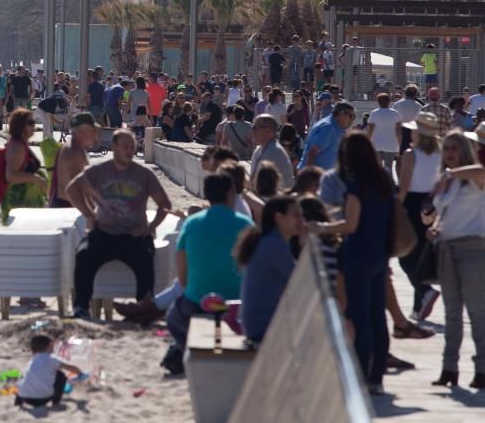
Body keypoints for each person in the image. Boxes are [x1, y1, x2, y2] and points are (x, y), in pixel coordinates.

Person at [315, 132, 394, 394]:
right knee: (377, 317)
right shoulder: (383, 180)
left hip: (357, 255)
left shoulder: (356, 185)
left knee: (360, 318)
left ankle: (361, 373)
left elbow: (350, 224)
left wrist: (321, 226)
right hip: (380, 254)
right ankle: (377, 376)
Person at [67, 130, 172, 319]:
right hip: (104, 233)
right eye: (125, 147)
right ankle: (81, 307)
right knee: (83, 255)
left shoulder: (144, 174)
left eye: (132, 147)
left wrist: (150, 228)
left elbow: (165, 205)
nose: (130, 151)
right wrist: (89, 214)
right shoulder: (100, 170)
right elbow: (72, 188)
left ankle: (143, 306)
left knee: (146, 257)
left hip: (135, 236)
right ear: (114, 147)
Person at [161, 173, 253, 375]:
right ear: (231, 194)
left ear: (206, 195)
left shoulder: (192, 224)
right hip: (237, 306)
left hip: (198, 303)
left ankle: (185, 351)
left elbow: (183, 278)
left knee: (173, 318)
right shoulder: (246, 224)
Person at [424, 131, 485, 389]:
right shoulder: (444, 180)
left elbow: (481, 172)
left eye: (454, 148)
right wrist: (432, 225)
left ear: (465, 151)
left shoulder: (472, 178)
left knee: (477, 311)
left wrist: (451, 174)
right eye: (446, 148)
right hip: (446, 247)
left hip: (473, 247)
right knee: (451, 312)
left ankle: (482, 368)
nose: (448, 153)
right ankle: (449, 368)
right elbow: (439, 213)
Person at [236, 195, 304, 343]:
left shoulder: (269, 241)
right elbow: (302, 279)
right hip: (263, 328)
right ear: (279, 217)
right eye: (296, 215)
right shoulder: (274, 245)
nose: (301, 220)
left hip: (256, 325)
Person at [396, 112, 443, 323]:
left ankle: (425, 291)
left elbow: (404, 186)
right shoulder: (440, 153)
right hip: (431, 204)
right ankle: (418, 306)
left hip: (412, 204)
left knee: (405, 256)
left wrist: (396, 207)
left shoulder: (410, 154)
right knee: (421, 255)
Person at [1, 109, 48, 224]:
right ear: (21, 126)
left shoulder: (21, 143)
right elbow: (10, 175)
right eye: (31, 123)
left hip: (26, 203)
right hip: (19, 204)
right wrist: (37, 179)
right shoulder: (17, 146)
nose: (34, 126)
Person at [15, 334, 83, 409]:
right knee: (60, 375)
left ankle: (18, 402)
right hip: (42, 399)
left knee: (25, 377)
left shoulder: (33, 360)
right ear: (48, 347)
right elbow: (71, 368)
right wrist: (81, 373)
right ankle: (55, 401)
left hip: (24, 398)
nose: (54, 348)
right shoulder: (51, 358)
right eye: (52, 346)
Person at [50, 113, 98, 208]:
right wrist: (92, 212)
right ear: (81, 132)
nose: (95, 134)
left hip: (67, 206)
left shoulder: (77, 148)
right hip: (67, 210)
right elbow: (76, 189)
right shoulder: (73, 153)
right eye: (93, 130)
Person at [300, 102, 355, 170]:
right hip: (315, 177)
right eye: (351, 116)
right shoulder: (328, 127)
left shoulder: (338, 128)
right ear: (342, 114)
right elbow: (312, 152)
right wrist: (310, 176)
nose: (352, 120)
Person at [250, 114, 294, 190]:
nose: (252, 130)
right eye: (252, 126)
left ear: (269, 131)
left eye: (256, 127)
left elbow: (257, 187)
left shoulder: (273, 152)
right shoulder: (260, 150)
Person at [367, 93, 402, 172]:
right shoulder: (395, 113)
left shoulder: (374, 113)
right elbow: (398, 131)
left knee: (377, 167)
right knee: (388, 167)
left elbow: (370, 130)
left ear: (378, 102)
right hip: (391, 145)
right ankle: (388, 183)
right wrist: (400, 145)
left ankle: (378, 183)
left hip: (377, 144)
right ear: (389, 102)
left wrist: (367, 143)